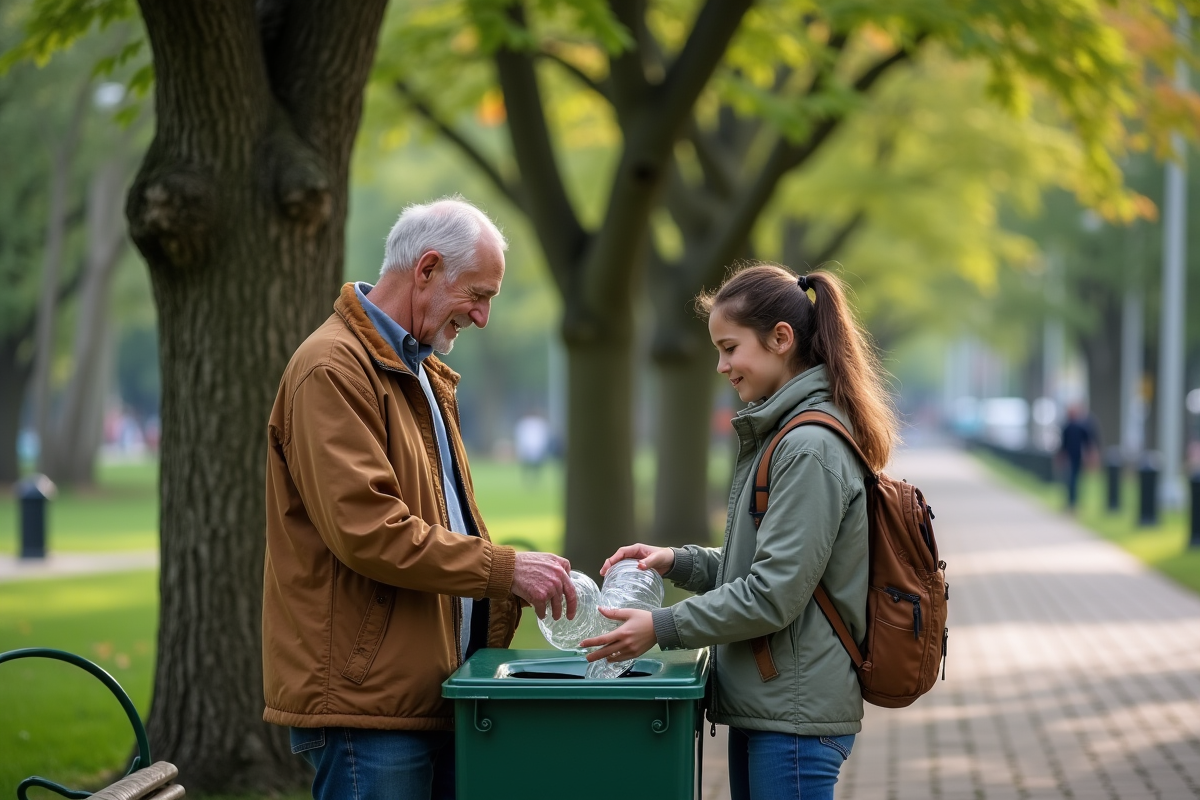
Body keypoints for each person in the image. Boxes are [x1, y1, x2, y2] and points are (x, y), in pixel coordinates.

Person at [262, 196, 577, 800]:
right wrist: (506, 570)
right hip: (369, 706)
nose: (483, 318)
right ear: (427, 269)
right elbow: (371, 531)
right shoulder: (331, 369)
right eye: (478, 296)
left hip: (425, 693)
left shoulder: (420, 370)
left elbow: (439, 516)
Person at [580, 264, 899, 800]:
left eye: (730, 348)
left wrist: (661, 626)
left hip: (793, 718)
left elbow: (774, 594)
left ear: (780, 339)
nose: (722, 366)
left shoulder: (809, 447)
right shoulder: (783, 434)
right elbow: (759, 566)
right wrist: (677, 561)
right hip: (770, 706)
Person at [1058, 403, 1099, 511]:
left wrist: (1091, 455)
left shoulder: (1079, 427)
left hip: (1078, 457)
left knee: (1074, 480)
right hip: (1071, 457)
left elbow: (1088, 443)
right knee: (1071, 480)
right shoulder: (1068, 427)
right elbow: (1063, 445)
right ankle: (1072, 502)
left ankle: (1074, 502)